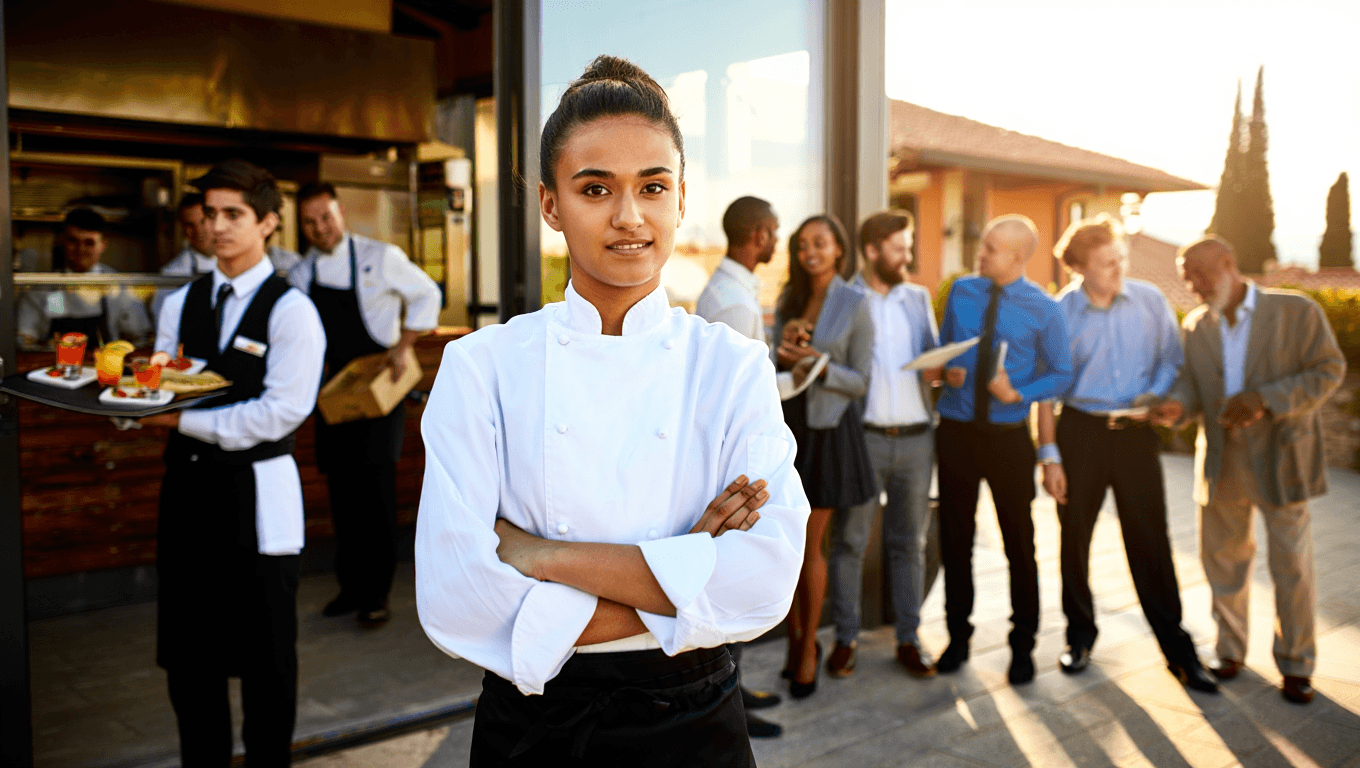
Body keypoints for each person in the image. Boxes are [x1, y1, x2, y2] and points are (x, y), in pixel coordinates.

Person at [414, 55, 809, 766]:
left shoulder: (732, 366)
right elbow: (456, 598)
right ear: (550, 203)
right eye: (595, 188)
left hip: (695, 724)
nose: (629, 217)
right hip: (536, 728)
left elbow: (764, 579)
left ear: (680, 199)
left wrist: (544, 557)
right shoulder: (481, 367)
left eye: (652, 187)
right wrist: (686, 575)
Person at [139, 160, 326, 765]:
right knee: (190, 660)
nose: (216, 226)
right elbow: (162, 384)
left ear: (269, 222)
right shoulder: (181, 302)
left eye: (233, 215)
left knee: (266, 659)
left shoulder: (291, 310)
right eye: (210, 214)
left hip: (257, 500)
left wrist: (182, 420)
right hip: (187, 495)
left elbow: (281, 413)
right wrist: (124, 400)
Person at [1155, 236, 1345, 705]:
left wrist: (1267, 400)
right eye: (1186, 278)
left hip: (1283, 457)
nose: (1192, 286)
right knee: (1223, 562)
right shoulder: (1196, 325)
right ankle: (1230, 651)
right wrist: (1176, 407)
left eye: (1198, 275)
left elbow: (1329, 369)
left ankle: (1297, 664)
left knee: (1292, 568)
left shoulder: (1296, 312)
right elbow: (1192, 387)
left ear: (1228, 264)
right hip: (1221, 461)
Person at [1035, 216, 1218, 693]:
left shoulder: (1151, 301)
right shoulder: (1059, 314)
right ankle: (1079, 637)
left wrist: (1153, 398)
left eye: (1120, 259)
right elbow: (1047, 391)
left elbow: (1170, 361)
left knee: (1150, 541)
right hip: (1080, 433)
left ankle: (1178, 651)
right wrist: (1049, 457)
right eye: (1105, 262)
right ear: (1078, 267)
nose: (1118, 268)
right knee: (1074, 539)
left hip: (1136, 435)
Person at [290, 181, 442, 627]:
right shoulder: (302, 274)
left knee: (375, 496)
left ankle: (376, 594)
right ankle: (349, 587)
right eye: (311, 222)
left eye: (327, 217)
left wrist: (404, 345)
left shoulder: (380, 257)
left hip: (379, 385)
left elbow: (428, 294)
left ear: (340, 214)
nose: (321, 228)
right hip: (335, 389)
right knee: (342, 494)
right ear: (303, 228)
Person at [933, 214, 1072, 685]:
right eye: (983, 243)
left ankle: (1023, 646)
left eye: (991, 247)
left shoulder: (1045, 309)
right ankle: (956, 637)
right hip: (953, 433)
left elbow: (1062, 374)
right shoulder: (961, 292)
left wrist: (1020, 393)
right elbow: (946, 348)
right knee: (955, 541)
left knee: (1020, 545)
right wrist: (946, 370)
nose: (981, 252)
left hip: (1009, 440)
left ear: (1017, 257)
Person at [825, 209, 939, 680]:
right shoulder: (846, 298)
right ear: (872, 251)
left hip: (917, 439)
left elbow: (930, 355)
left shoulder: (918, 297)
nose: (906, 256)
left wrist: (943, 372)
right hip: (864, 439)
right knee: (850, 541)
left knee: (908, 543)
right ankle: (846, 639)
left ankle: (909, 638)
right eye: (898, 248)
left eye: (908, 247)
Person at [774, 213, 876, 699]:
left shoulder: (855, 302)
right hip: (790, 427)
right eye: (802, 244)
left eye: (820, 242)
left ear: (839, 249)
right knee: (792, 544)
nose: (809, 251)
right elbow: (776, 363)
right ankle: (796, 642)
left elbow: (860, 381)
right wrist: (785, 346)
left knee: (810, 542)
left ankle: (810, 649)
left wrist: (819, 363)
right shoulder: (790, 297)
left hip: (831, 433)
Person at [695, 194, 784, 738]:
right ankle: (730, 708)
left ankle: (736, 689)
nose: (778, 240)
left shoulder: (734, 291)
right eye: (773, 231)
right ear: (756, 234)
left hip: (731, 458)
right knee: (731, 580)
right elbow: (739, 400)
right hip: (733, 465)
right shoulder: (734, 302)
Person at [15, 208, 153, 348]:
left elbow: (138, 338)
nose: (80, 249)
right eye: (73, 241)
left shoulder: (119, 286)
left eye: (89, 243)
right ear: (61, 240)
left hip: (104, 366)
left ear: (103, 245)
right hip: (57, 367)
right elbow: (24, 340)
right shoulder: (45, 287)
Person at [156, 194, 301, 319]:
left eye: (203, 221)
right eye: (189, 225)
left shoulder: (248, 258)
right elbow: (163, 319)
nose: (199, 231)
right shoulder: (172, 274)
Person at [696, 196, 778, 345]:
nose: (777, 239)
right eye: (774, 231)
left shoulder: (730, 290)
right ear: (761, 235)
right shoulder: (736, 305)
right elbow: (735, 368)